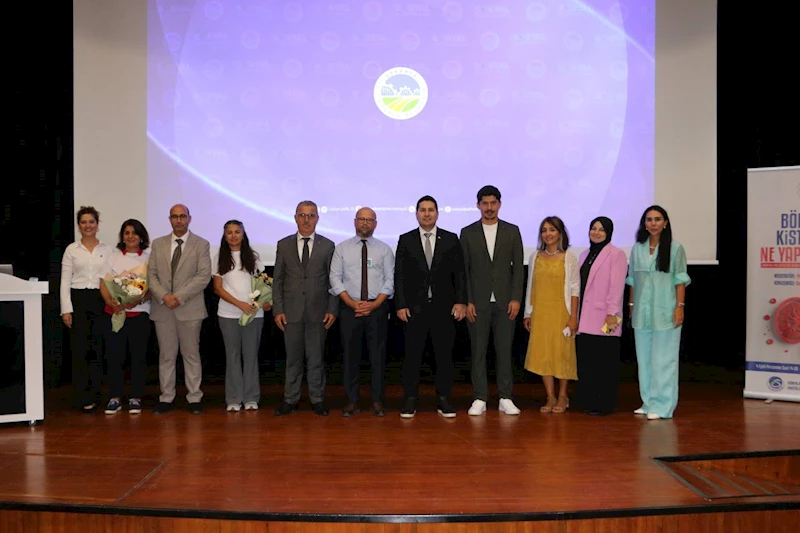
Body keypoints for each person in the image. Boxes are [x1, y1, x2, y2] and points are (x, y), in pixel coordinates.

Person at [395, 196, 467, 418]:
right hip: (414, 310)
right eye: (423, 210)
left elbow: (460, 274)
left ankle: (444, 399)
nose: (427, 214)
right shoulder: (406, 239)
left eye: (431, 210)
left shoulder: (451, 239)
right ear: (416, 213)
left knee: (444, 356)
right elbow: (399, 275)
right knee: (412, 357)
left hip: (443, 309)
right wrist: (400, 304)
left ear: (437, 213)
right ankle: (410, 399)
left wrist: (461, 301)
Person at [460, 186, 524, 416]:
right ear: (478, 205)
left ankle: (505, 397)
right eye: (485, 203)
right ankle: (480, 397)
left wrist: (516, 298)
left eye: (493, 203)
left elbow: (518, 269)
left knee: (504, 351)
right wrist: (467, 300)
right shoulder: (467, 233)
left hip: (506, 302)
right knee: (478, 352)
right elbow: (464, 271)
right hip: (477, 303)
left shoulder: (512, 231)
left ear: (499, 204)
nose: (489, 208)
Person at [273, 201, 338, 416]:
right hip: (291, 312)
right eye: (302, 215)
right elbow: (278, 280)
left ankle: (317, 399)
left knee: (316, 358)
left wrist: (332, 309)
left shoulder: (327, 245)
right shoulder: (284, 244)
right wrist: (278, 309)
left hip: (318, 312)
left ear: (317, 218)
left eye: (311, 215)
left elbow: (333, 281)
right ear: (295, 218)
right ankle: (290, 399)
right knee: (293, 359)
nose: (306, 219)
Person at [329, 207, 395, 417]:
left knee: (378, 356)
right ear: (355, 221)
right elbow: (335, 278)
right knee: (350, 356)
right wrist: (351, 303)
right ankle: (351, 401)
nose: (365, 223)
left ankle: (377, 401)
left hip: (377, 308)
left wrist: (374, 305)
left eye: (369, 220)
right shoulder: (342, 248)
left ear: (375, 224)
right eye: (361, 219)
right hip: (350, 309)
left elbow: (390, 280)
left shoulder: (384, 249)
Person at [627, 205, 690, 420]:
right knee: (644, 360)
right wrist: (631, 306)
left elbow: (680, 279)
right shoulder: (637, 248)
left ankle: (663, 406)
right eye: (649, 219)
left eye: (657, 219)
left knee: (664, 360)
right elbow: (633, 280)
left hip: (665, 311)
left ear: (665, 223)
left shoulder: (675, 248)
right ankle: (648, 402)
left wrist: (679, 307)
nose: (653, 223)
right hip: (642, 313)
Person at [148, 204, 212, 414]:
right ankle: (166, 397)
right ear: (169, 219)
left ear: (189, 218)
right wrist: (164, 296)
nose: (178, 220)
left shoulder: (201, 244)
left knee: (191, 355)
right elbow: (151, 275)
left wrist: (179, 297)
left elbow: (203, 276)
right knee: (166, 356)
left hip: (189, 308)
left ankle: (194, 397)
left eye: (182, 216)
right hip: (163, 308)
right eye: (175, 217)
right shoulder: (158, 244)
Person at [523, 216, 579, 414]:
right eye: (544, 230)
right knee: (544, 355)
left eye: (552, 230)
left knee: (562, 354)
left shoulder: (569, 258)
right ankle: (550, 396)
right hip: (540, 312)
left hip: (562, 313)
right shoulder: (535, 257)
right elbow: (531, 286)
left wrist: (573, 317)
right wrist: (528, 313)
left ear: (560, 233)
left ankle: (563, 396)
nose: (548, 234)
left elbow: (575, 289)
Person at [213, 220, 270, 412]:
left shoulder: (253, 257)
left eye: (237, 232)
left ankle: (251, 398)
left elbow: (263, 284)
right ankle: (234, 398)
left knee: (251, 356)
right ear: (224, 235)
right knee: (233, 356)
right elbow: (218, 288)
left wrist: (263, 302)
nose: (233, 236)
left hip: (254, 315)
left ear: (243, 234)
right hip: (228, 314)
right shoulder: (220, 257)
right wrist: (239, 304)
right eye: (229, 232)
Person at [60, 206, 112, 412]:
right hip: (78, 300)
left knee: (97, 348)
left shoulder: (107, 250)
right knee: (80, 350)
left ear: (97, 225)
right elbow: (65, 281)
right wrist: (66, 309)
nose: (87, 225)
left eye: (91, 222)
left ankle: (96, 394)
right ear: (78, 225)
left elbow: (111, 279)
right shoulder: (71, 250)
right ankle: (82, 396)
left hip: (100, 300)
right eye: (83, 222)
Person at [575, 217, 627, 416]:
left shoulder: (617, 254)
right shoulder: (584, 254)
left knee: (604, 362)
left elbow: (617, 287)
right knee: (588, 361)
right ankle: (589, 401)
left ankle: (604, 403)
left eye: (601, 230)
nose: (596, 233)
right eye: (593, 228)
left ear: (609, 233)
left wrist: (612, 313)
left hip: (606, 318)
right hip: (585, 317)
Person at [99, 219, 152, 415]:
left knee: (138, 357)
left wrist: (137, 300)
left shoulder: (148, 258)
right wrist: (111, 302)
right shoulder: (112, 257)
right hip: (115, 314)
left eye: (135, 233)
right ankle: (115, 397)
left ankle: (136, 397)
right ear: (122, 236)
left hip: (139, 314)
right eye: (127, 233)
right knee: (115, 357)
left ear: (141, 236)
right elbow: (103, 283)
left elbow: (153, 288)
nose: (131, 236)